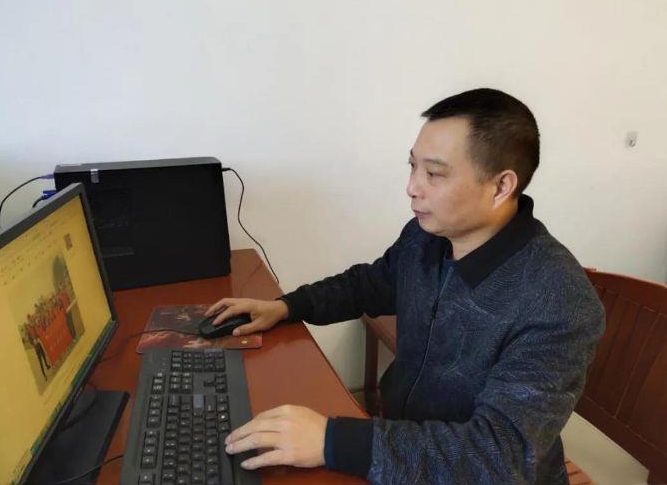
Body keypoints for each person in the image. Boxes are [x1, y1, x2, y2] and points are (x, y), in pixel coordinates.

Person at [206, 88, 605, 484]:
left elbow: (498, 456)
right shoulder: (426, 237)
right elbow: (370, 284)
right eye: (412, 166)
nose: (412, 187)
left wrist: (333, 440)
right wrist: (288, 306)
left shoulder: (558, 301)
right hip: (401, 444)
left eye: (434, 174)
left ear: (500, 187)